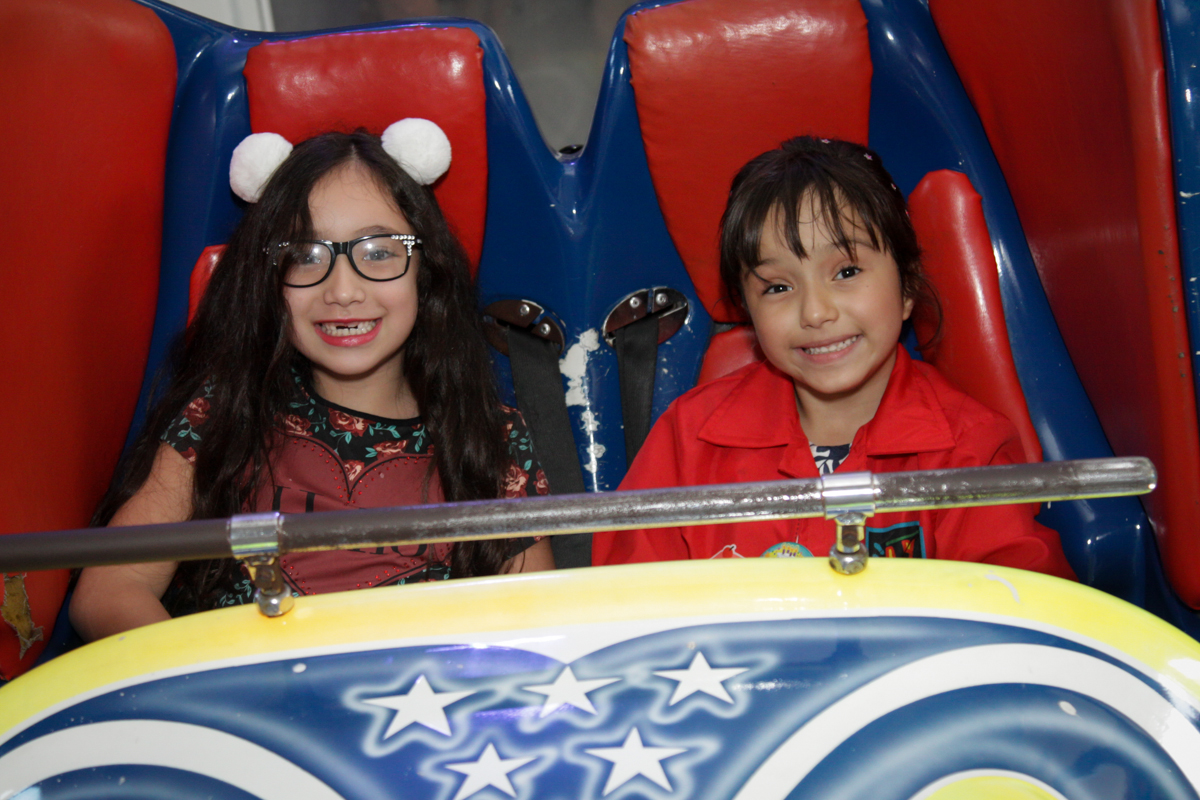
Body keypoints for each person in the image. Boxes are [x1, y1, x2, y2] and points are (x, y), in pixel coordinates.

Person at [71, 121, 554, 641]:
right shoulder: (223, 416)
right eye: (305, 257)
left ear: (425, 271)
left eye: (378, 252)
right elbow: (110, 591)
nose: (342, 291)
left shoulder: (490, 436)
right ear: (269, 282)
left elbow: (536, 618)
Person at [592, 136, 1074, 578]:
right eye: (778, 287)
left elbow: (1025, 613)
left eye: (845, 271)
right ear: (748, 312)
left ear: (907, 287)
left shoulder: (971, 450)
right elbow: (624, 599)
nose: (816, 312)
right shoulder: (687, 439)